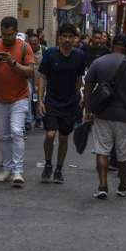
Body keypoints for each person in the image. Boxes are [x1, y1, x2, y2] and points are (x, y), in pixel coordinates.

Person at [84, 34, 126, 199]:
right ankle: (122, 184)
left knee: (102, 151)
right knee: (123, 154)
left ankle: (102, 186)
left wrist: (88, 111)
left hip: (102, 115)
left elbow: (88, 89)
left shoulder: (98, 63)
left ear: (111, 45)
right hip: (125, 116)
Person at [0, 16, 35, 187]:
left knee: (16, 131)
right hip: (0, 98)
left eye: (10, 35)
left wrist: (13, 64)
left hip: (20, 97)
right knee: (3, 134)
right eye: (4, 35)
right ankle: (7, 168)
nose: (7, 38)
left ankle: (18, 171)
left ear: (16, 32)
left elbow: (30, 72)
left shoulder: (25, 47)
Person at [37, 23, 86, 184]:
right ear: (59, 38)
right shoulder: (50, 54)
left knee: (64, 138)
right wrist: (40, 100)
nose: (67, 39)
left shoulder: (79, 56)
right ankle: (48, 164)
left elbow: (79, 79)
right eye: (64, 36)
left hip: (69, 102)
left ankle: (58, 168)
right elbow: (43, 76)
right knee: (50, 134)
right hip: (51, 101)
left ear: (75, 39)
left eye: (70, 37)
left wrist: (79, 97)